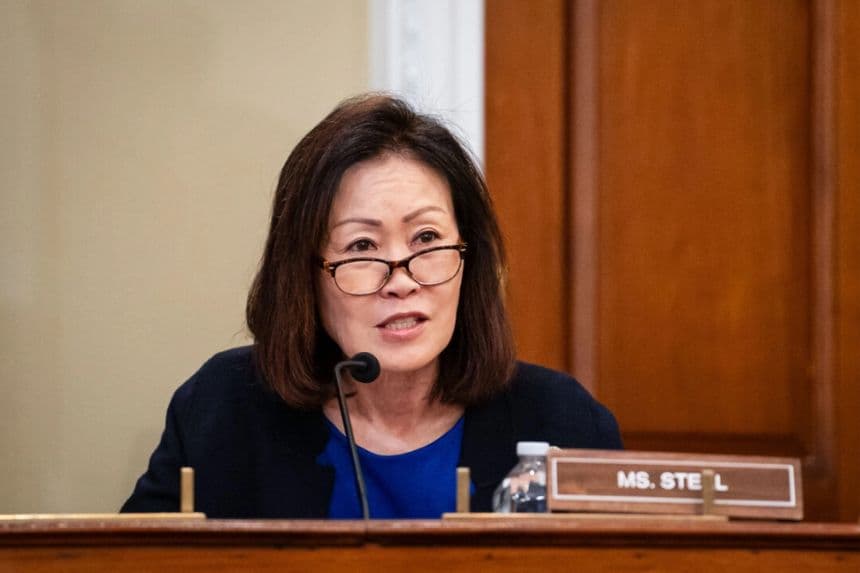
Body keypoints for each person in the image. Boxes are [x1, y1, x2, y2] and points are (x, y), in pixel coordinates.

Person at [121, 94, 622, 519]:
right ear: (305, 274)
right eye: (362, 247)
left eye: (426, 238)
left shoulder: (561, 421)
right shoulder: (224, 410)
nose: (401, 280)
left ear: (469, 259)